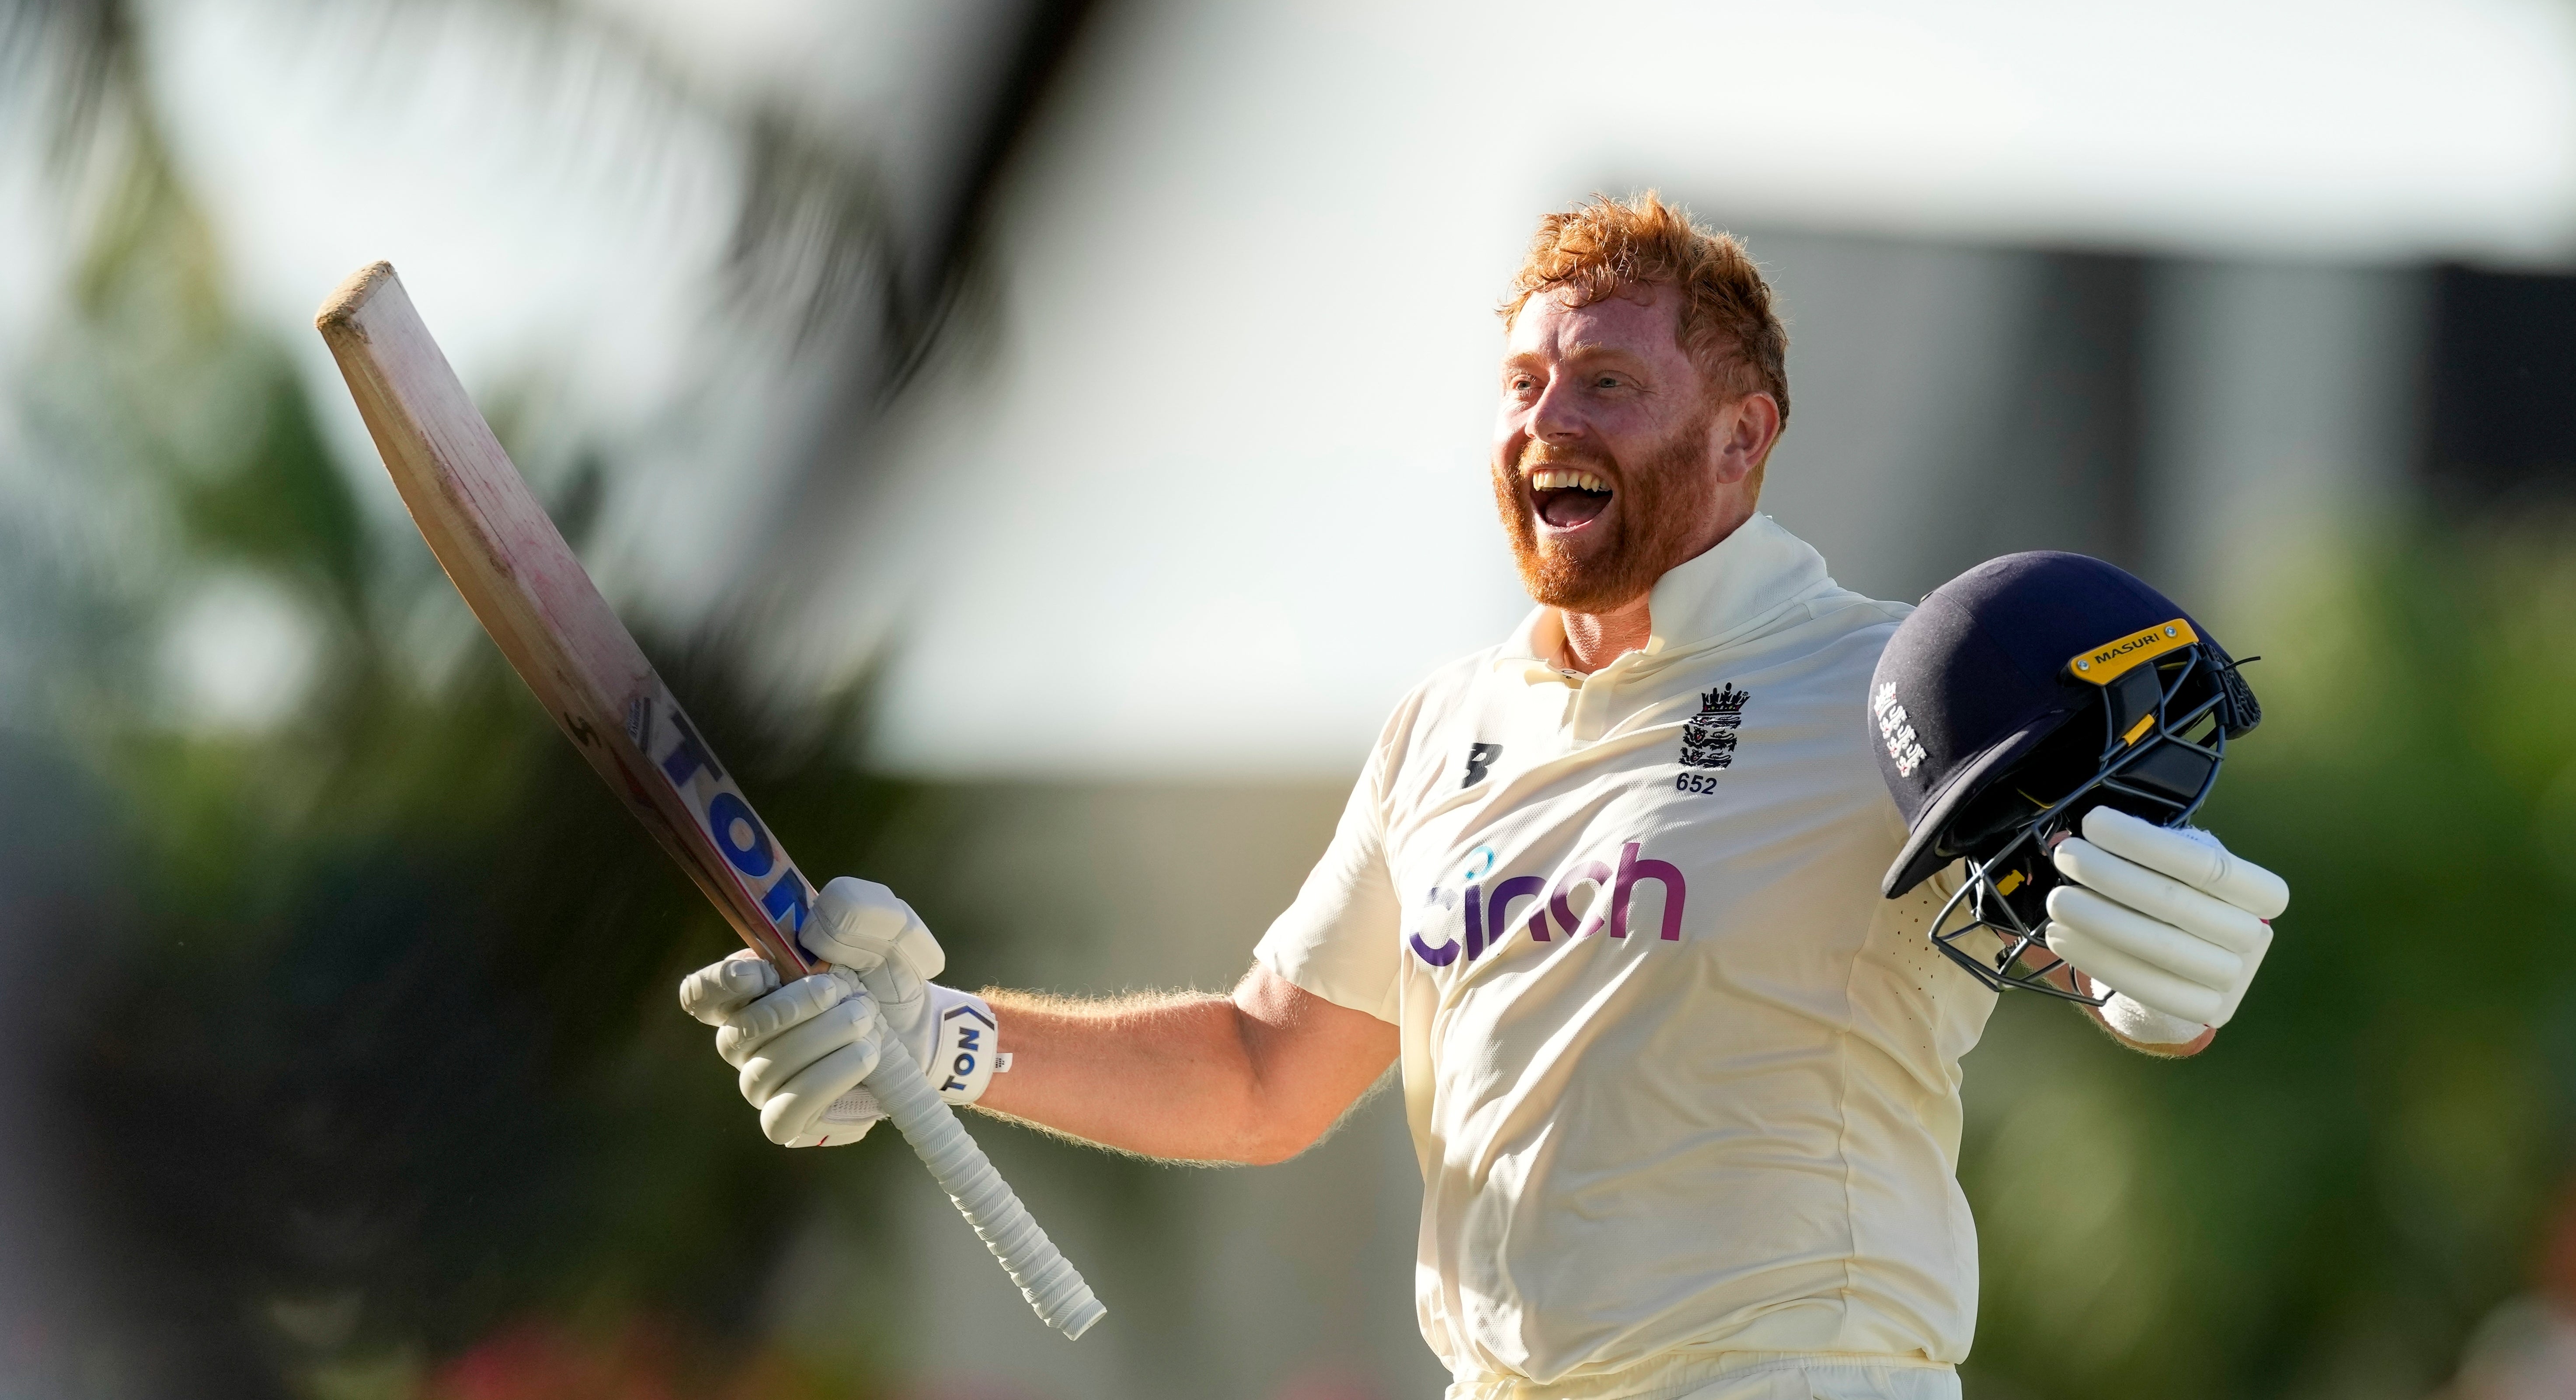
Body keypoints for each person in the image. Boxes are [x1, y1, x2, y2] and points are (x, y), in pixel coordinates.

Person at [679, 192, 2282, 1400]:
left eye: (1602, 384)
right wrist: (944, 1038)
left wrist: (2162, 995)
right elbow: (1262, 1074)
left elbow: (2097, 931)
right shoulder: (1444, 722)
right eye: (1521, 384)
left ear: (1743, 437)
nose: (1543, 426)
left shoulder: (1888, 683)